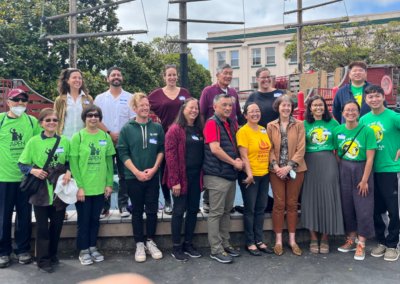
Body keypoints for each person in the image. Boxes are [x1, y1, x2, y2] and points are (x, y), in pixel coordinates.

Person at [18, 108, 71, 273]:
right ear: (41, 123)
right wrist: (33, 171)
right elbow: (22, 163)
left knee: (57, 225)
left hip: (59, 190)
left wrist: (69, 172)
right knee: (42, 227)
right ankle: (42, 260)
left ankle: (52, 255)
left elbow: (69, 162)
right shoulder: (33, 141)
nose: (51, 123)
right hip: (40, 190)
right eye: (47, 120)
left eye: (54, 120)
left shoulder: (64, 141)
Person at [117, 93, 165, 263]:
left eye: (147, 105)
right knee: (137, 211)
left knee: (152, 210)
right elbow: (122, 153)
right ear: (134, 108)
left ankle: (150, 241)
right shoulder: (127, 128)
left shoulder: (157, 127)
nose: (145, 108)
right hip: (133, 176)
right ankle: (139, 243)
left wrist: (154, 169)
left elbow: (161, 149)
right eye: (141, 105)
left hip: (152, 175)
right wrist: (136, 172)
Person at [0, 89, 42, 269]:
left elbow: (41, 143)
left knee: (24, 215)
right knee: (3, 216)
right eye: (16, 100)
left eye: (24, 100)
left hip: (26, 177)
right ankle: (3, 252)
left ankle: (22, 249)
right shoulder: (1, 120)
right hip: (4, 176)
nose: (20, 103)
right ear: (8, 102)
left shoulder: (32, 121)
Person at [70, 105, 115, 265]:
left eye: (96, 115)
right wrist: (79, 187)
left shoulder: (105, 136)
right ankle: (83, 250)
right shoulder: (78, 137)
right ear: (84, 118)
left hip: (99, 187)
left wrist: (109, 183)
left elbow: (109, 161)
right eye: (90, 115)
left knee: (95, 219)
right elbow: (73, 164)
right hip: (84, 189)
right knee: (84, 220)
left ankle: (92, 246)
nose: (93, 118)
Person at [360, 85, 400, 262]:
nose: (374, 99)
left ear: (383, 96)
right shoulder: (364, 120)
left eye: (377, 96)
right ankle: (382, 242)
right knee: (376, 209)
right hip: (370, 171)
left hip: (390, 169)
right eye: (370, 97)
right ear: (365, 100)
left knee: (393, 209)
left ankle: (393, 244)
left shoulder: (393, 117)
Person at [203, 93, 244, 264]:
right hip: (217, 174)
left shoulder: (229, 124)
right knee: (216, 212)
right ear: (215, 107)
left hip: (228, 174)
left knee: (226, 211)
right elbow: (215, 149)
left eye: (230, 105)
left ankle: (225, 244)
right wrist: (234, 162)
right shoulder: (212, 123)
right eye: (224, 105)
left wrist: (238, 160)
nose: (227, 108)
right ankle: (216, 249)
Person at [334, 100, 377, 261]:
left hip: (361, 169)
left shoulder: (367, 131)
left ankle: (362, 243)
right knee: (347, 206)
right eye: (347, 110)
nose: (350, 112)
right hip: (344, 169)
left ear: (358, 113)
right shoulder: (338, 130)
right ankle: (351, 240)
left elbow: (370, 158)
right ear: (342, 112)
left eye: (353, 110)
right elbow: (338, 154)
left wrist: (365, 180)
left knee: (364, 208)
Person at [302, 96, 344, 254]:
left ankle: (325, 237)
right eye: (315, 105)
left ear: (325, 107)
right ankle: (313, 236)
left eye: (321, 105)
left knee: (328, 197)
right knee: (310, 197)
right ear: (310, 108)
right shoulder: (304, 124)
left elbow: (340, 146)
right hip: (309, 163)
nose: (318, 107)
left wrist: (337, 164)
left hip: (328, 162)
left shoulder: (333, 123)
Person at [163, 98, 204, 262]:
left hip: (196, 176)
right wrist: (175, 181)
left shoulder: (199, 129)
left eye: (196, 108)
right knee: (179, 211)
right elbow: (170, 157)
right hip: (181, 177)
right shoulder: (174, 130)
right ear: (184, 109)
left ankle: (188, 244)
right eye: (191, 108)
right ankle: (176, 247)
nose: (194, 110)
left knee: (193, 209)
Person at [199, 63, 244, 213]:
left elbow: (237, 114)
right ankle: (207, 200)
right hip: (213, 133)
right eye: (225, 73)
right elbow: (202, 113)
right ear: (217, 75)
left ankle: (225, 203)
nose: (228, 76)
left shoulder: (233, 93)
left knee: (227, 166)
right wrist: (203, 132)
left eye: (230, 73)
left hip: (230, 134)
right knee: (213, 166)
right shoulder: (208, 91)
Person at [148, 65, 191, 215]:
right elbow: (144, 107)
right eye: (169, 75)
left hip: (184, 136)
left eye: (174, 75)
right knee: (166, 169)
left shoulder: (184, 93)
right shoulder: (156, 94)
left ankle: (182, 200)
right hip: (165, 137)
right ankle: (167, 200)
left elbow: (192, 109)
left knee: (183, 168)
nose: (172, 77)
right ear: (164, 77)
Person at [266, 94, 306, 256]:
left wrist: (288, 168)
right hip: (276, 171)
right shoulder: (270, 126)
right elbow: (268, 148)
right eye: (283, 105)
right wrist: (276, 167)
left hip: (295, 169)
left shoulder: (299, 125)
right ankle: (278, 240)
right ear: (278, 107)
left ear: (292, 108)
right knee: (278, 204)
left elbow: (301, 148)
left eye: (289, 105)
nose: (286, 108)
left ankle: (292, 240)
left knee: (292, 203)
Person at [94, 67, 136, 219]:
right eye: (113, 75)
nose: (116, 77)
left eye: (119, 74)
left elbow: (133, 118)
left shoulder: (130, 98)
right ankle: (103, 206)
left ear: (122, 78)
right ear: (107, 79)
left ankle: (123, 205)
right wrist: (110, 134)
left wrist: (120, 135)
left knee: (124, 175)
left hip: (124, 141)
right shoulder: (99, 98)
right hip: (105, 141)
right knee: (104, 174)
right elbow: (96, 119)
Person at [245, 67, 285, 212]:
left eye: (268, 77)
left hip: (279, 138)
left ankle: (280, 202)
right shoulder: (253, 97)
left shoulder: (280, 94)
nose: (266, 80)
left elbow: (287, 112)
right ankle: (265, 201)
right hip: (259, 139)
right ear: (257, 80)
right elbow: (247, 117)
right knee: (262, 171)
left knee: (277, 171)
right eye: (263, 77)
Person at [236, 102, 273, 256]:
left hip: (264, 174)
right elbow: (243, 155)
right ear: (245, 115)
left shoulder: (263, 130)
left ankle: (259, 240)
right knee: (250, 210)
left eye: (257, 111)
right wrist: (249, 174)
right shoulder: (243, 131)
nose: (255, 114)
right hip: (250, 175)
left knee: (261, 209)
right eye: (251, 111)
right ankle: (250, 242)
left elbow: (269, 150)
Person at [54, 68, 94, 140]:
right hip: (65, 138)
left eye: (80, 78)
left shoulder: (88, 98)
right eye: (74, 77)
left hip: (83, 138)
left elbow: (92, 118)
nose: (77, 80)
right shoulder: (59, 100)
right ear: (67, 80)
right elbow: (55, 119)